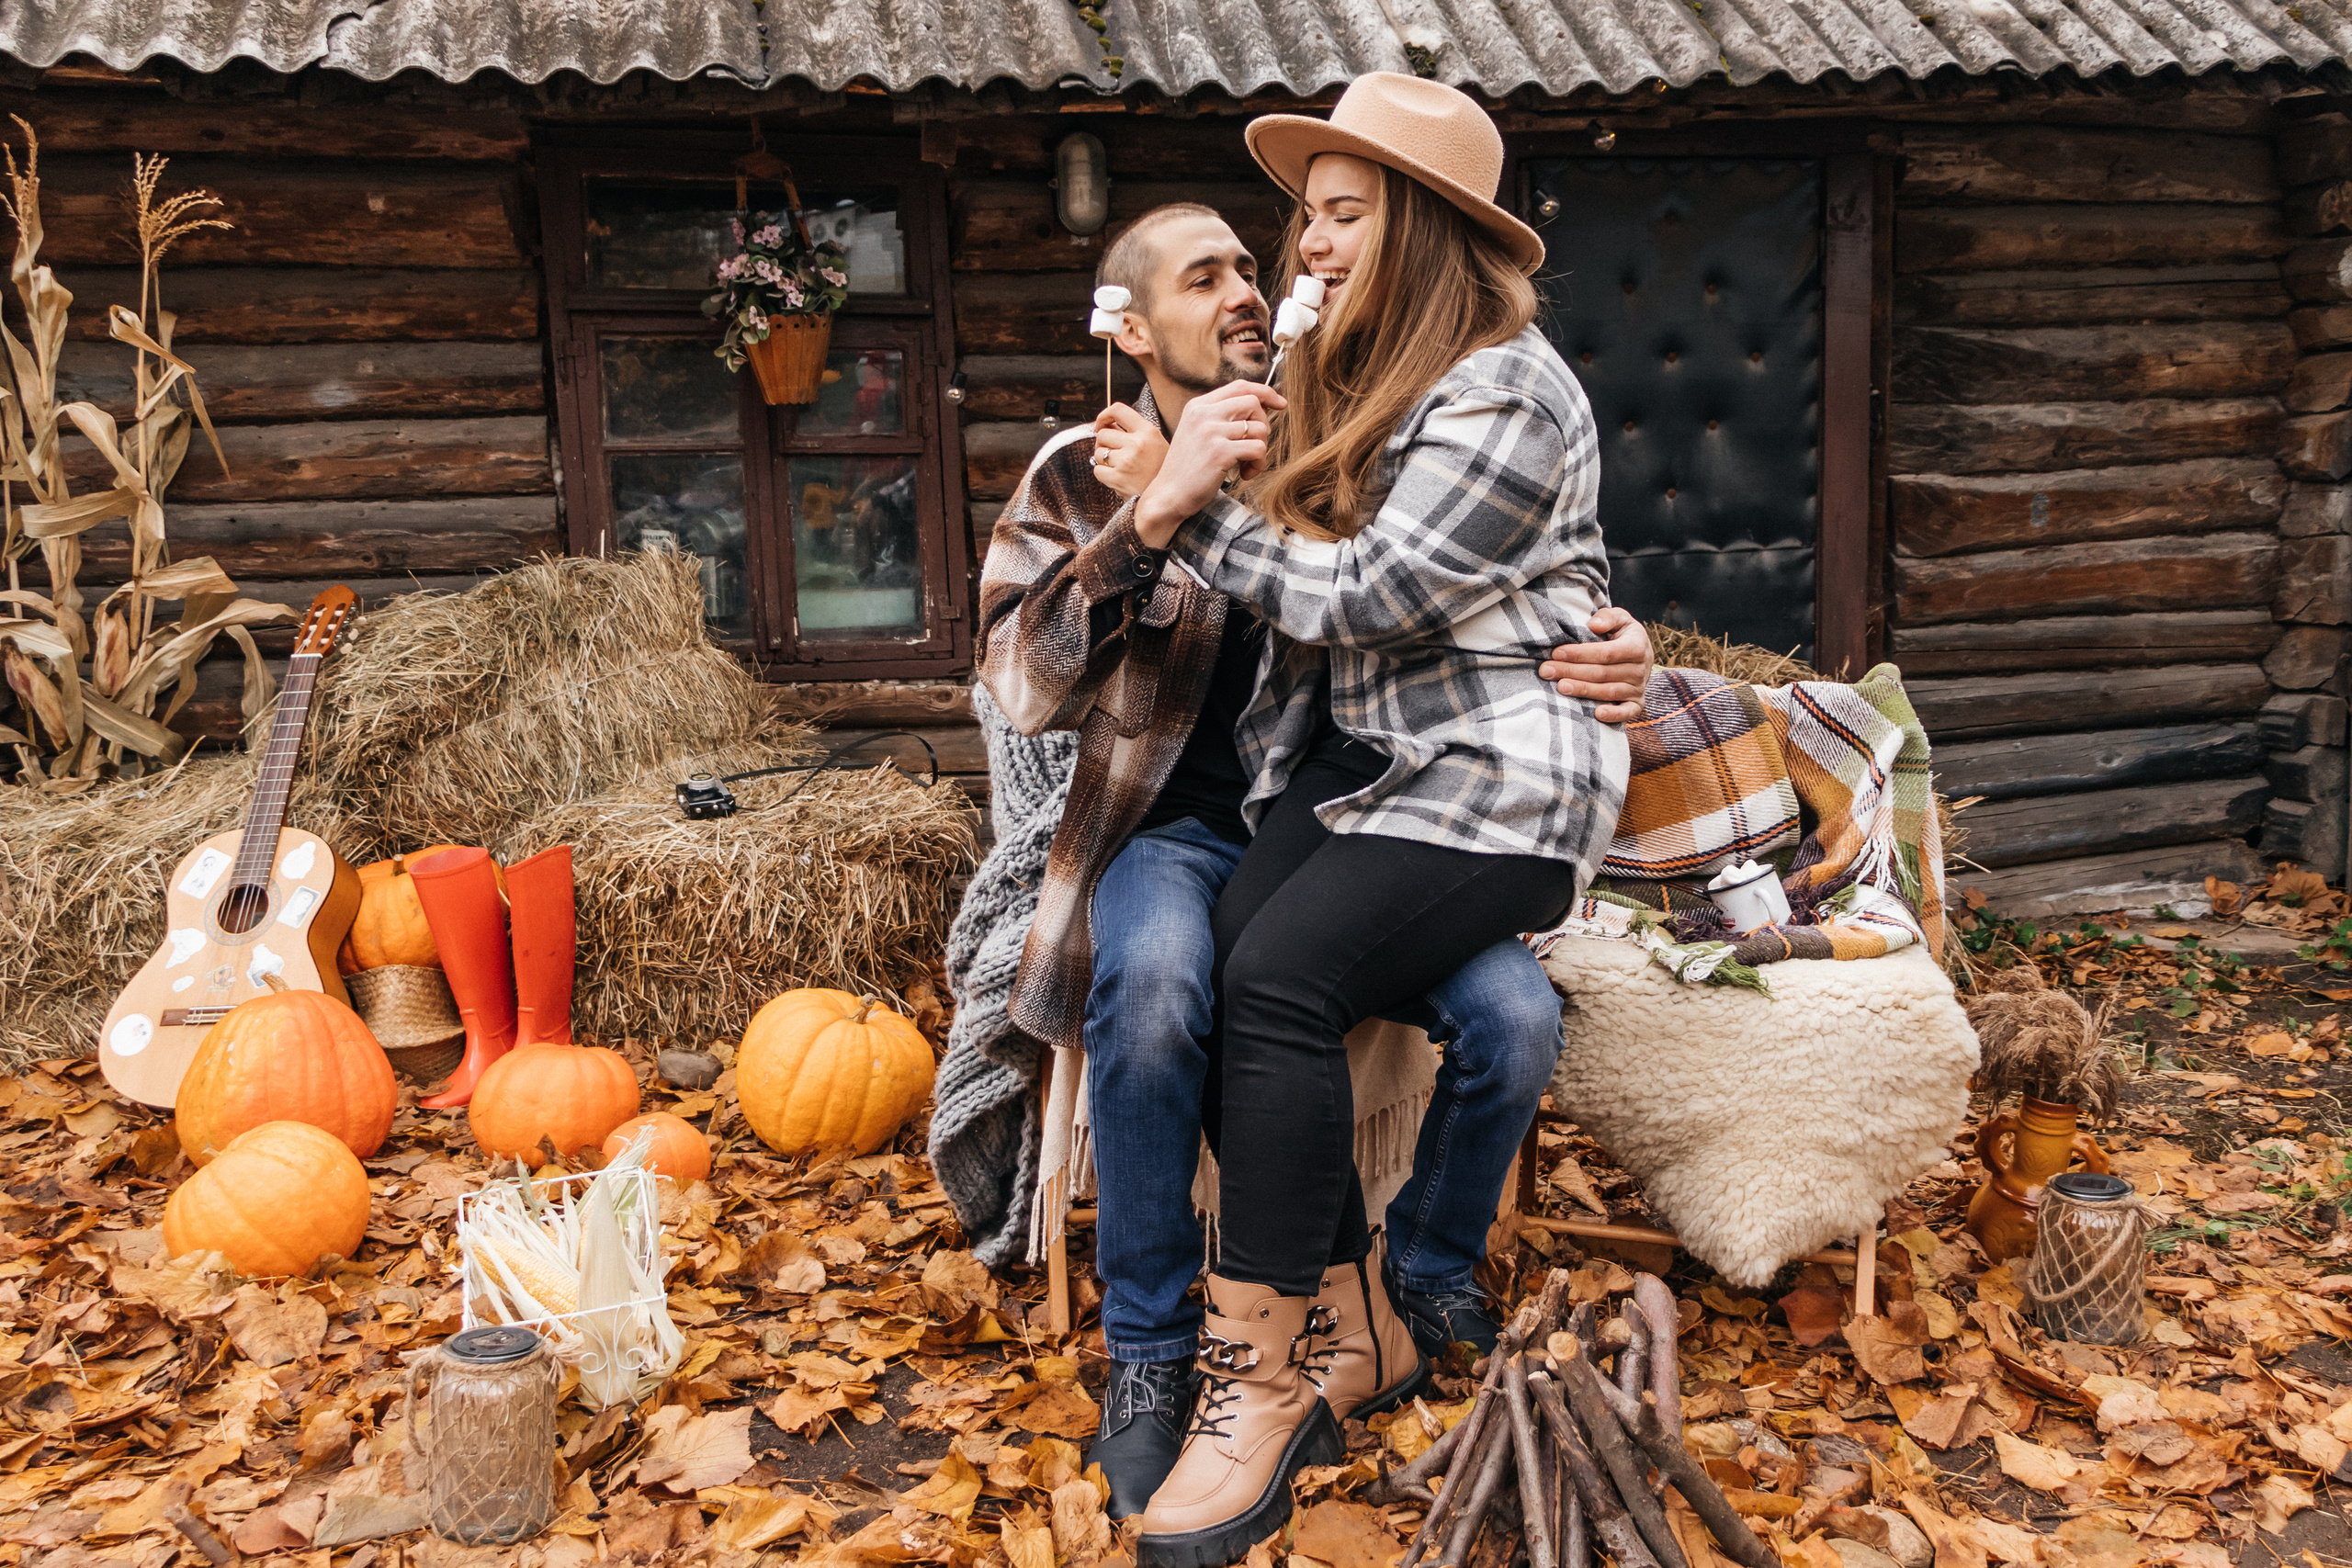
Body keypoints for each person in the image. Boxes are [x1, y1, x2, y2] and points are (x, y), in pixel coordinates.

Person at [973, 202, 1649, 1526]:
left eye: (1252, 264)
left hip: (1351, 811)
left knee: (1514, 1015)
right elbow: (1016, 681)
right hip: (1167, 827)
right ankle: (1161, 1356)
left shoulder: (1330, 437)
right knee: (1171, 987)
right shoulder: (1083, 464)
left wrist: (1620, 646)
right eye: (1203, 277)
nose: (1248, 288)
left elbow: (1485, 569)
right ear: (1134, 325)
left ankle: (1414, 1282)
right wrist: (1152, 512)